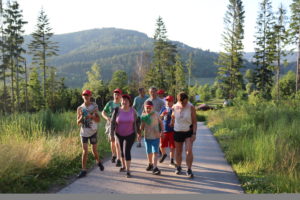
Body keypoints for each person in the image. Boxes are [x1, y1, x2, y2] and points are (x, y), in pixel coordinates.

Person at [110, 94, 140, 178]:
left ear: (129, 102)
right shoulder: (117, 110)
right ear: (121, 101)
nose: (124, 102)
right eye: (123, 100)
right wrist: (111, 135)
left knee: (127, 151)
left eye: (126, 100)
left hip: (130, 134)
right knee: (122, 151)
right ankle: (123, 166)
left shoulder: (133, 111)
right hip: (119, 134)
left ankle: (128, 170)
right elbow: (112, 123)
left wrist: (138, 133)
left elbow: (137, 122)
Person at [76, 89, 104, 178]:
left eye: (87, 95)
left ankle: (98, 161)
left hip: (93, 132)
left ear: (90, 96)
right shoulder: (80, 108)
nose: (86, 97)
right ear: (82, 96)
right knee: (85, 151)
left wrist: (91, 116)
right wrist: (81, 116)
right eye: (84, 95)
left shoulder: (94, 106)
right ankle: (83, 170)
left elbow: (98, 120)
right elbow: (78, 122)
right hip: (84, 132)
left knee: (94, 150)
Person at [171, 92, 197, 178]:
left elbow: (194, 122)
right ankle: (178, 167)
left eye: (186, 102)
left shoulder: (191, 107)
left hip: (188, 131)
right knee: (178, 151)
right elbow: (173, 116)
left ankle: (189, 169)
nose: (184, 104)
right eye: (182, 102)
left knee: (188, 150)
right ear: (179, 101)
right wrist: (172, 121)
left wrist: (194, 134)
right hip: (177, 131)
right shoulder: (175, 106)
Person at [140, 100, 164, 175]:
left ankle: (155, 167)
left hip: (156, 136)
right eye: (147, 108)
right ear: (144, 108)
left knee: (155, 152)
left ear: (152, 108)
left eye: (150, 108)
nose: (148, 109)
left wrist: (162, 131)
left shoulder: (156, 114)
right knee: (149, 152)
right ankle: (150, 164)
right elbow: (142, 126)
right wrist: (139, 133)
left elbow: (161, 123)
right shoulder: (143, 115)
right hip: (147, 137)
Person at [102, 88, 122, 167]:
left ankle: (118, 158)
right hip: (110, 124)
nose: (116, 96)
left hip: (119, 124)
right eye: (115, 94)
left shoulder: (122, 104)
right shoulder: (110, 103)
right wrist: (107, 118)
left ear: (120, 96)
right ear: (113, 95)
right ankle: (113, 154)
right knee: (112, 140)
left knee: (118, 142)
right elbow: (103, 112)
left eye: (118, 94)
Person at [159, 95, 175, 166]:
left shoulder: (174, 109)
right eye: (167, 101)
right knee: (161, 145)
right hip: (164, 130)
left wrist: (172, 116)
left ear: (172, 102)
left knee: (172, 146)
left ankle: (171, 160)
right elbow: (159, 118)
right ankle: (164, 154)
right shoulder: (163, 108)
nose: (168, 102)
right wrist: (162, 115)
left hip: (172, 130)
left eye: (170, 101)